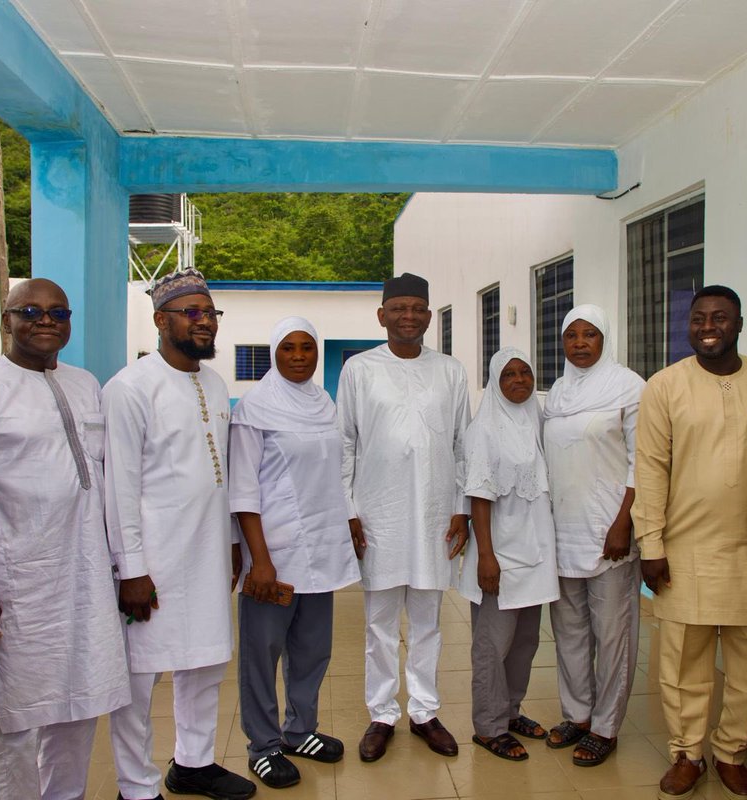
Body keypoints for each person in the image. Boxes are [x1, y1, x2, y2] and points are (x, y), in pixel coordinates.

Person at [0, 279, 130, 799]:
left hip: (85, 576)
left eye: (58, 312)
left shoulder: (85, 384)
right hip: (14, 584)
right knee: (17, 719)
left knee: (80, 702)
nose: (45, 320)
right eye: (30, 310)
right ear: (6, 320)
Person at [102, 268, 255, 800]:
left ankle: (192, 763)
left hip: (208, 550)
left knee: (206, 661)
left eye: (210, 313)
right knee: (139, 677)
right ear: (160, 320)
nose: (205, 323)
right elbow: (118, 487)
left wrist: (233, 542)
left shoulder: (214, 383)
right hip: (153, 561)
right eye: (192, 312)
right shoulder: (128, 389)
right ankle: (135, 784)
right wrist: (132, 569)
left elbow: (223, 475)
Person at [633, 285, 747, 800]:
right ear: (688, 326)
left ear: (739, 323)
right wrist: (651, 544)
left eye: (720, 317)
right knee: (683, 663)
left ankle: (731, 752)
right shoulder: (665, 386)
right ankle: (687, 753)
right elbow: (649, 469)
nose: (708, 326)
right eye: (698, 319)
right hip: (682, 550)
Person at [337, 272, 471, 763]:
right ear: (382, 316)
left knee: (428, 621)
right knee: (378, 622)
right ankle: (381, 714)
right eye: (399, 309)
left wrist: (461, 509)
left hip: (436, 514)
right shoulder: (359, 370)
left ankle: (424, 712)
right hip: (379, 515)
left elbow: (462, 444)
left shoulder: (451, 371)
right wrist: (349, 511)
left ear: (429, 316)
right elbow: (345, 443)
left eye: (417, 308)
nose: (408, 316)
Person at [229, 316, 360, 789]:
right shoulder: (254, 408)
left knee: (312, 650)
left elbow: (333, 474)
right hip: (275, 554)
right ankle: (262, 745)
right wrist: (259, 560)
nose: (300, 356)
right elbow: (242, 489)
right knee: (263, 653)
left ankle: (299, 729)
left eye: (308, 347)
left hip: (321, 549)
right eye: (289, 348)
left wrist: (347, 520)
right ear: (273, 353)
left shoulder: (323, 403)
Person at [542, 304, 645, 767]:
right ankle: (577, 715)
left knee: (613, 634)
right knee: (569, 632)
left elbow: (642, 463)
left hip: (610, 533)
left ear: (605, 340)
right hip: (563, 531)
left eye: (590, 335)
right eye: (572, 336)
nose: (580, 343)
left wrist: (625, 521)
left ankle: (605, 726)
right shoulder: (558, 393)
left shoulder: (628, 387)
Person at [457, 348, 559, 762]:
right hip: (499, 558)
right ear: (495, 384)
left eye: (525, 373)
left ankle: (511, 711)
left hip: (535, 557)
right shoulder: (484, 430)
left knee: (525, 644)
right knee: (491, 647)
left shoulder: (535, 419)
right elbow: (479, 495)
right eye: (508, 375)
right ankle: (489, 726)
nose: (519, 381)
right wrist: (486, 556)